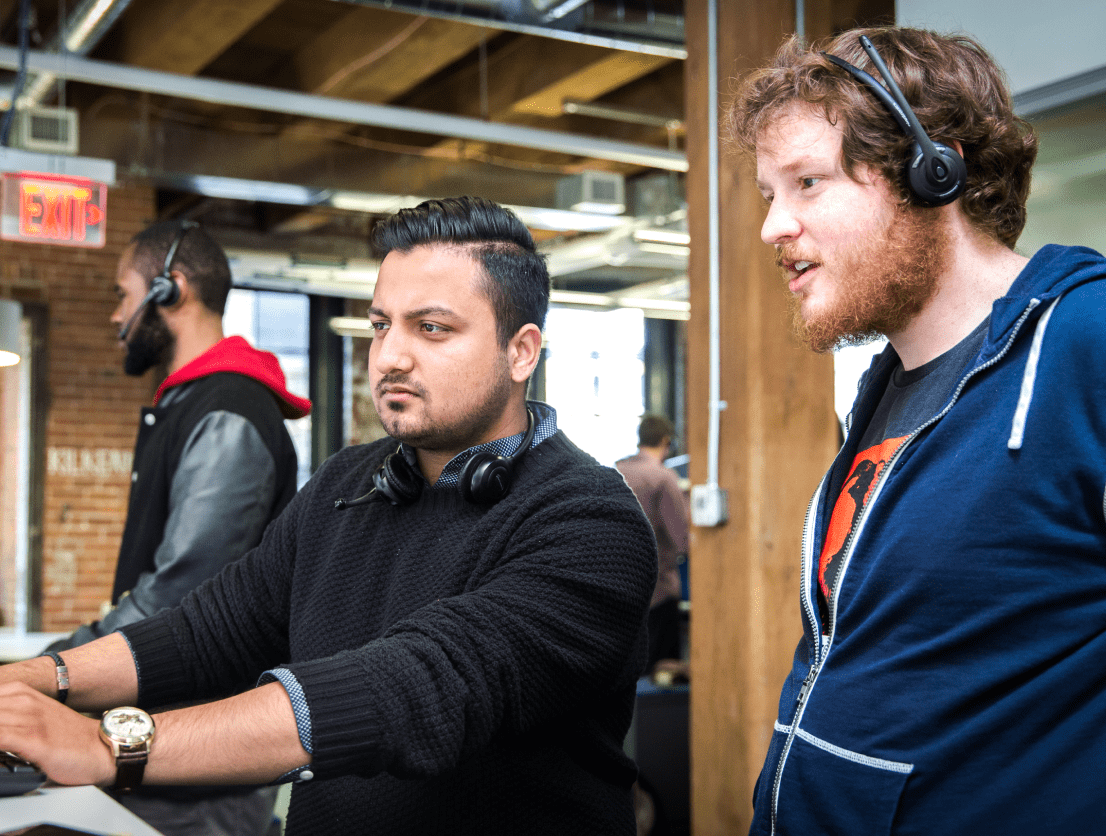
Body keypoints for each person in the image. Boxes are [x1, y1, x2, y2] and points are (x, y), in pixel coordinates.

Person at [0, 197, 657, 836]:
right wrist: (41, 678)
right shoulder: (347, 483)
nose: (391, 356)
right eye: (380, 325)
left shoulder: (592, 523)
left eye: (431, 328)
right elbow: (210, 630)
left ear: (522, 352)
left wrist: (111, 744)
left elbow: (415, 686)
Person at [730, 26, 1106, 835]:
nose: (773, 227)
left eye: (807, 183)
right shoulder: (884, 390)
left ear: (936, 172)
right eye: (771, 193)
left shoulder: (1090, 341)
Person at [43, 220, 309, 835]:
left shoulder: (228, 413)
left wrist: (52, 670)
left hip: (200, 759)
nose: (116, 316)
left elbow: (179, 597)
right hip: (160, 738)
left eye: (123, 294)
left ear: (171, 289)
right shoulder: (190, 404)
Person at [615, 413, 688, 672]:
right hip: (657, 592)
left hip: (617, 591)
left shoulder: (615, 471)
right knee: (660, 678)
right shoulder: (663, 478)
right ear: (666, 441)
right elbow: (683, 540)